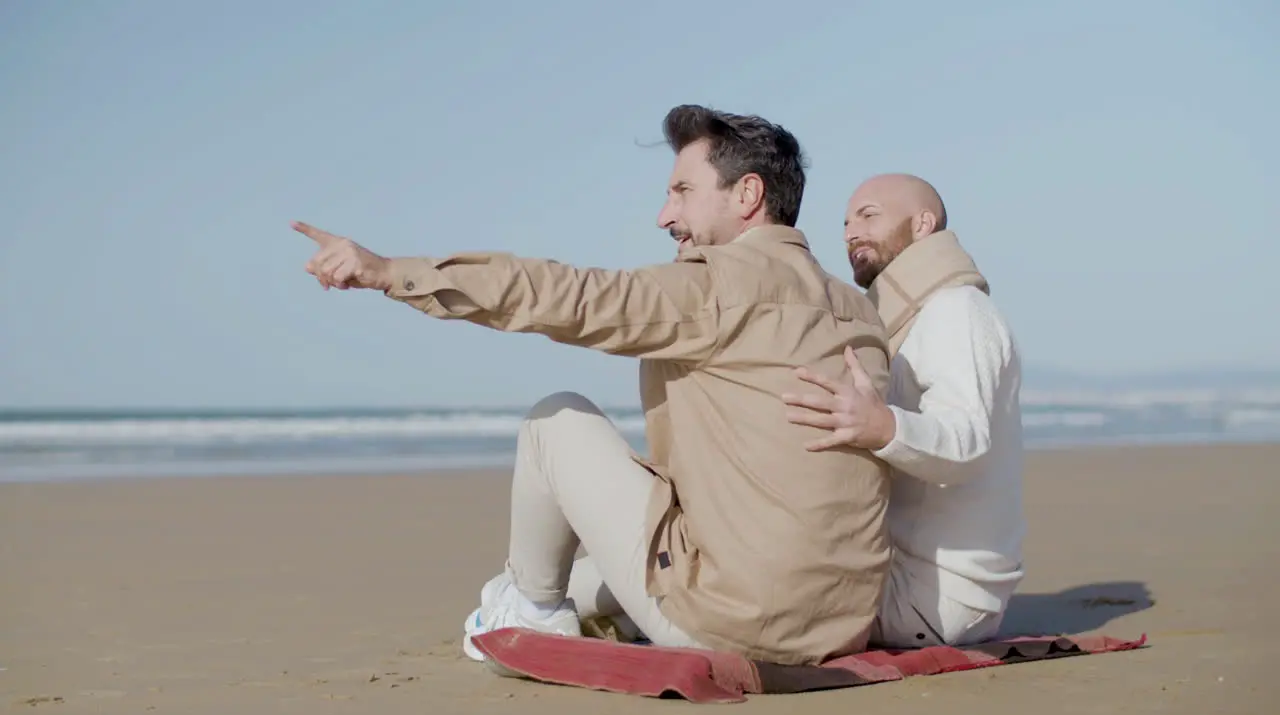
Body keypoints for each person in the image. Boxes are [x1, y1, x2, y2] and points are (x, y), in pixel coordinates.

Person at [292, 105, 895, 666]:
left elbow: (566, 295)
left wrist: (391, 273)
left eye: (682, 191)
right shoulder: (859, 311)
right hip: (840, 624)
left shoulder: (717, 287)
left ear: (747, 194)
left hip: (735, 625)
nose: (665, 215)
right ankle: (530, 595)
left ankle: (532, 611)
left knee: (557, 421)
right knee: (582, 580)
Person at [782, 173, 1025, 647]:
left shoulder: (957, 310)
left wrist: (880, 426)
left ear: (923, 225)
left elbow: (966, 445)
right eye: (847, 222)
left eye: (869, 215)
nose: (851, 231)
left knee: (732, 596)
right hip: (912, 583)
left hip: (932, 599)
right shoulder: (910, 320)